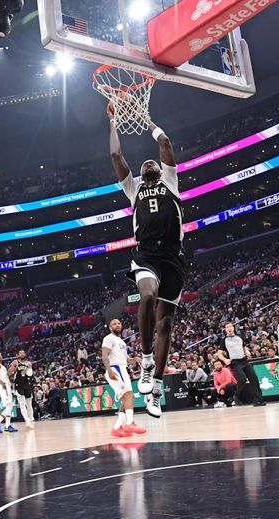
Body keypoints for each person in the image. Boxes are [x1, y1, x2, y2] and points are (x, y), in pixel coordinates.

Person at [108, 103, 185, 418]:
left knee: (166, 323)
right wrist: (113, 120)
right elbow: (116, 156)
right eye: (145, 163)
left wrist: (147, 121)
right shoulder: (133, 187)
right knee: (148, 295)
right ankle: (146, 360)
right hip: (146, 253)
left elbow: (164, 143)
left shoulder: (169, 179)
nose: (150, 161)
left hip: (174, 255)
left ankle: (154, 389)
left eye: (151, 161)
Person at [101, 319, 146, 437]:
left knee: (126, 400)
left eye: (119, 323)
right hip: (115, 369)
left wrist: (134, 359)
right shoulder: (109, 338)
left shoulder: (121, 341)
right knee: (129, 395)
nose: (117, 325)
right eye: (114, 324)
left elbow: (125, 360)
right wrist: (110, 370)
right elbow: (104, 356)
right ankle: (130, 423)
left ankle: (117, 428)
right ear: (110, 328)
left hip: (122, 369)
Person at [216, 322, 265, 406]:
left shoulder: (240, 337)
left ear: (233, 327)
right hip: (234, 363)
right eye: (227, 327)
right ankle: (236, 395)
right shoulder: (224, 340)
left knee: (254, 378)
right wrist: (225, 360)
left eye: (230, 326)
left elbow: (244, 348)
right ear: (225, 329)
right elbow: (219, 354)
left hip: (244, 361)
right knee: (242, 379)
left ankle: (258, 400)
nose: (229, 328)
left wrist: (247, 352)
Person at [9, 350, 35, 430]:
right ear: (18, 354)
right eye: (20, 353)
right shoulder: (15, 362)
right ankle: (27, 421)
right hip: (18, 385)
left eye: (23, 353)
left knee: (29, 404)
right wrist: (11, 379)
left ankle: (31, 420)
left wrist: (28, 372)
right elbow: (9, 372)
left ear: (25, 354)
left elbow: (30, 373)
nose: (22, 354)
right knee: (22, 404)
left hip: (27, 384)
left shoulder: (29, 363)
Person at [0, 353, 17, 433]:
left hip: (7, 386)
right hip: (3, 386)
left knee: (10, 406)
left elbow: (6, 376)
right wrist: (2, 383)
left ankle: (7, 426)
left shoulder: (2, 367)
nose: (0, 356)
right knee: (9, 405)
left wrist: (12, 373)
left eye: (1, 355)